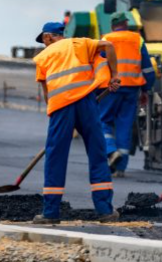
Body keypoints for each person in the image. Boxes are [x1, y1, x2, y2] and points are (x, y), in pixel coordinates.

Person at [32, 22, 121, 224]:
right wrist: (115, 75)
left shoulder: (43, 57)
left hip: (60, 107)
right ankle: (105, 210)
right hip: (86, 102)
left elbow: (47, 94)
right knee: (97, 153)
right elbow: (108, 46)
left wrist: (55, 119)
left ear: (48, 37)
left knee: (55, 157)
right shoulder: (79, 43)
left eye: (44, 40)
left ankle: (50, 213)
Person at [98, 11, 156, 177]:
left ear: (112, 26)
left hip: (111, 88)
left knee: (102, 121)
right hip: (132, 89)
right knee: (124, 126)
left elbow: (99, 65)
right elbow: (147, 69)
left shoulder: (106, 39)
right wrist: (146, 89)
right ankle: (120, 168)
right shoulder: (137, 39)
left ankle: (111, 151)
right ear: (126, 24)